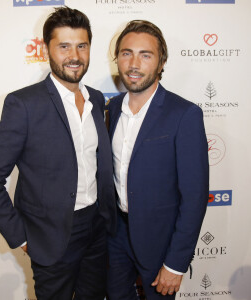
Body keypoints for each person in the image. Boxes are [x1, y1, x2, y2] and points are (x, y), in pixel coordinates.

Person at [0, 7, 116, 300]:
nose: (74, 55)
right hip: (51, 237)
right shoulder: (24, 105)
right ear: (46, 49)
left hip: (97, 230)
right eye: (63, 46)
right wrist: (21, 237)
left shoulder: (97, 99)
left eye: (81, 46)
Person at [106, 20, 209, 299]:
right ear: (118, 59)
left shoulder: (184, 115)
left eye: (145, 55)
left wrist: (176, 263)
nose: (134, 63)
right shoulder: (112, 109)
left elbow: (195, 197)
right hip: (115, 237)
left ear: (161, 61)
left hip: (161, 242)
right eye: (127, 53)